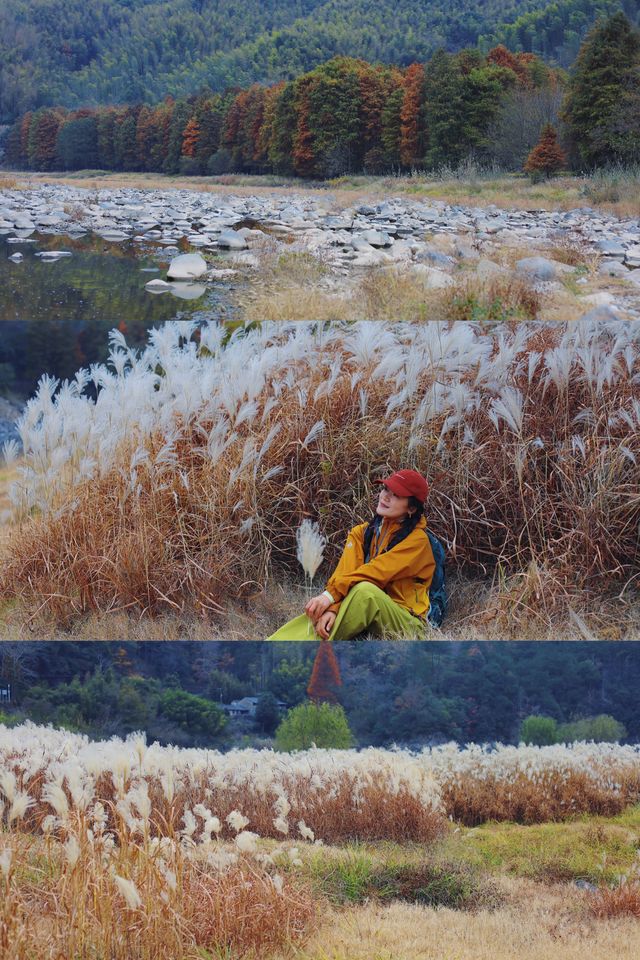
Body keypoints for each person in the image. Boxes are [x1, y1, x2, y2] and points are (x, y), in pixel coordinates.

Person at [267, 469, 436, 641]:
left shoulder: (417, 541)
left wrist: (329, 597)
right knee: (340, 602)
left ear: (412, 508)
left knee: (365, 592)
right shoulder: (361, 532)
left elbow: (376, 572)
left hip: (407, 622)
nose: (385, 497)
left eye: (396, 495)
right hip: (370, 610)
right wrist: (333, 608)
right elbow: (346, 573)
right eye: (385, 489)